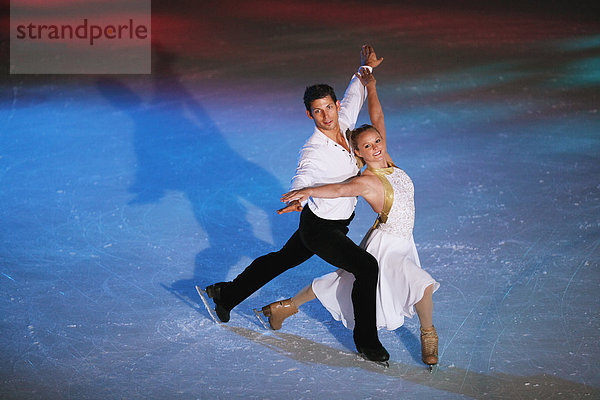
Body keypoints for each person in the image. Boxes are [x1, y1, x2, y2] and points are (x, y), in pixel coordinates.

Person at [204, 45, 390, 363]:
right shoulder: (312, 150)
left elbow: (355, 93)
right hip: (321, 229)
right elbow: (302, 178)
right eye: (317, 111)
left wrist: (365, 71)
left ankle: (227, 294)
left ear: (335, 105)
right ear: (309, 114)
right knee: (366, 267)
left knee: (280, 260)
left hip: (331, 224)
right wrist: (299, 196)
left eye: (329, 107)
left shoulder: (345, 123)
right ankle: (367, 342)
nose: (326, 116)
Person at [260, 67, 440, 368]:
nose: (376, 147)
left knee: (342, 283)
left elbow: (377, 117)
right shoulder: (366, 179)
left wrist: (371, 83)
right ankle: (428, 334)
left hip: (404, 242)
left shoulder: (388, 161)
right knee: (421, 284)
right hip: (386, 245)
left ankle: (285, 307)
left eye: (377, 142)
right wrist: (305, 192)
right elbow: (337, 189)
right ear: (359, 153)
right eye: (367, 146)